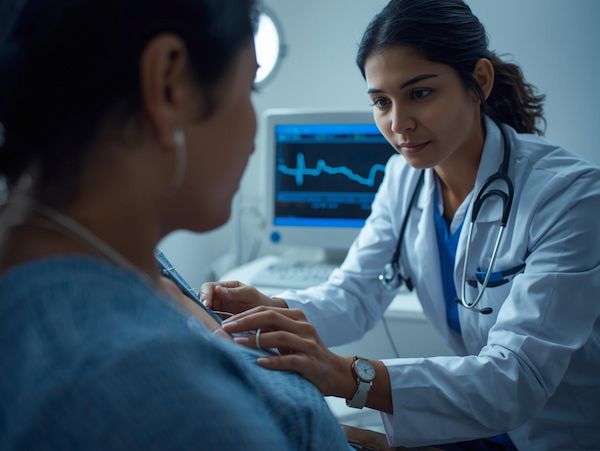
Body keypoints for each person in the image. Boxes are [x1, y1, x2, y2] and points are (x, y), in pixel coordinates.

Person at [203, 0, 600, 449]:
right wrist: (272, 311)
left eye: (420, 93)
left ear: (480, 82)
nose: (399, 124)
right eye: (381, 101)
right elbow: (353, 295)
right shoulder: (404, 178)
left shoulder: (570, 196)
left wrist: (348, 375)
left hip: (557, 433)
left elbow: (516, 379)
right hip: (479, 420)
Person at [0, 0, 351, 449]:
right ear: (170, 84)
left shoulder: (109, 254)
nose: (252, 136)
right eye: (249, 89)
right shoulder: (149, 391)